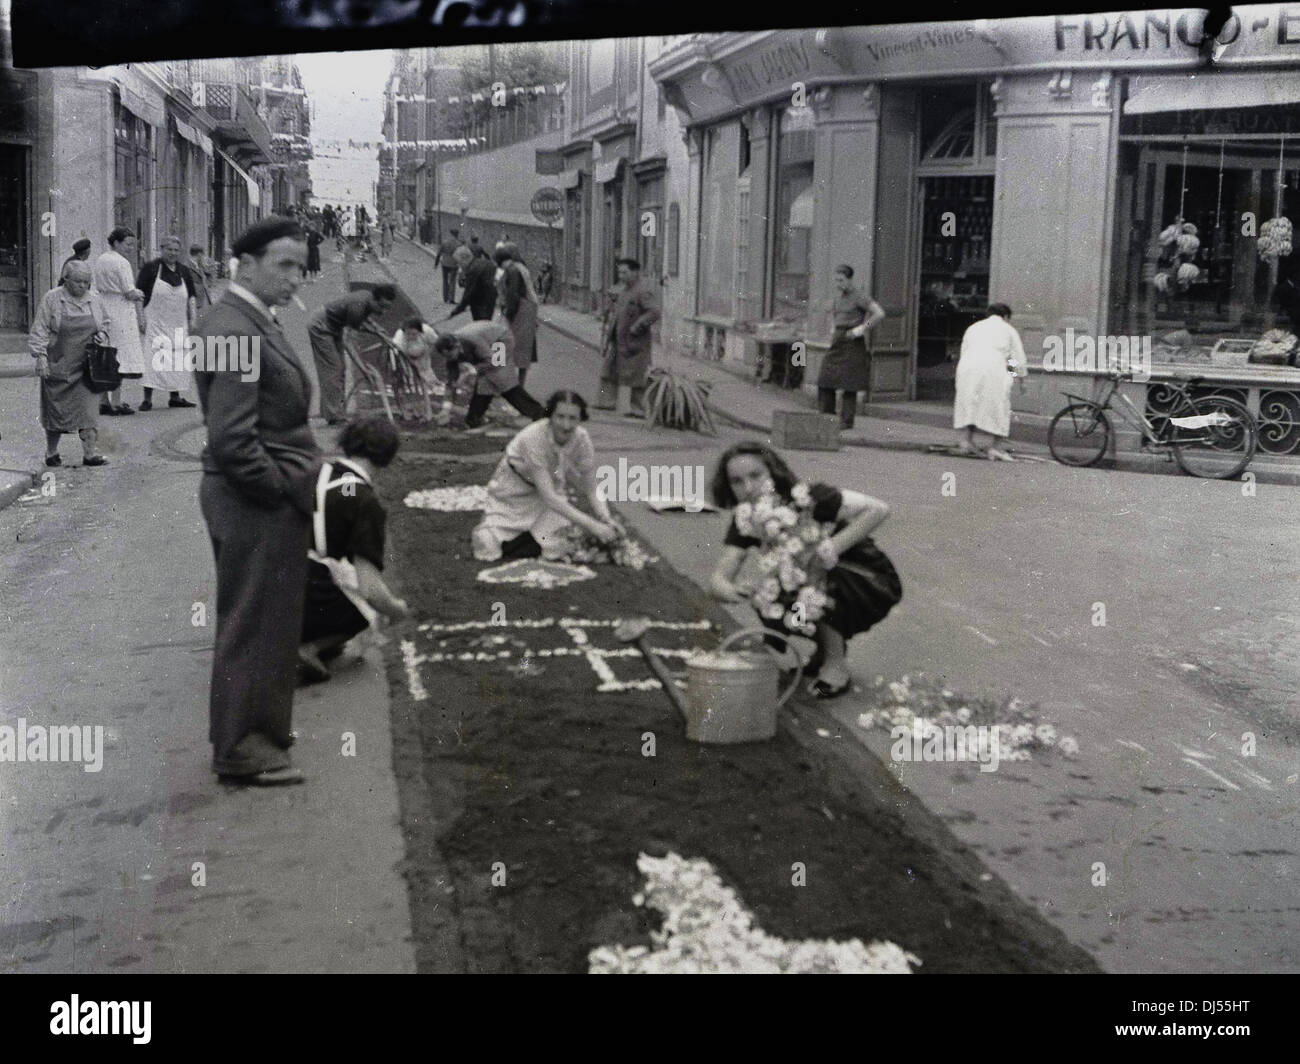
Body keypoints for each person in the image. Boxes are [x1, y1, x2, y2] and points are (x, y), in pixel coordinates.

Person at [193, 216, 321, 786]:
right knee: (254, 623)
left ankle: (255, 738)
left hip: (259, 499)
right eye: (285, 265)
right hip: (252, 501)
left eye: (301, 266)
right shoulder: (234, 329)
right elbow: (233, 439)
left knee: (267, 623)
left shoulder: (250, 319)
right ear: (247, 264)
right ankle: (244, 748)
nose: (297, 278)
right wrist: (280, 491)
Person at [708, 441, 900, 699]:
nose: (749, 488)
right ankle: (825, 649)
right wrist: (728, 589)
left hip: (863, 578)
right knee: (772, 594)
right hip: (811, 581)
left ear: (773, 472)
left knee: (812, 584)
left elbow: (878, 509)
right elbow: (721, 575)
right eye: (737, 481)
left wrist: (830, 548)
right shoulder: (748, 518)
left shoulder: (809, 497)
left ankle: (836, 666)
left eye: (756, 475)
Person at [299, 416, 410, 683]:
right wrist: (396, 610)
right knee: (370, 609)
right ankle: (310, 647)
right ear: (386, 457)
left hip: (274, 583)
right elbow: (371, 588)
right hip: (308, 588)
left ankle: (308, 633)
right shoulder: (365, 502)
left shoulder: (318, 471)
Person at [471, 390, 619, 562]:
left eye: (573, 418)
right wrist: (592, 525)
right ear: (550, 416)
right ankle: (511, 539)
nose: (566, 425)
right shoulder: (533, 437)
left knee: (564, 542)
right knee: (488, 545)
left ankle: (525, 543)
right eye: (560, 417)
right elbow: (549, 497)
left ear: (580, 419)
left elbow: (592, 487)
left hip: (549, 494)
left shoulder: (581, 438)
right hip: (513, 493)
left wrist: (605, 518)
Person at [29, 260, 110, 468]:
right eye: (78, 282)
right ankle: (51, 451)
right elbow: (40, 329)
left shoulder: (95, 300)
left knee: (89, 410)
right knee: (56, 411)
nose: (82, 286)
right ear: (66, 280)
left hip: (88, 366)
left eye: (86, 282)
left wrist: (102, 334)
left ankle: (90, 454)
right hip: (59, 365)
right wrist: (40, 357)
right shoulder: (52, 299)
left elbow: (106, 323)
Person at [306, 284, 398, 425]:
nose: (383, 312)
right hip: (321, 326)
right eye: (381, 307)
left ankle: (336, 412)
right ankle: (334, 416)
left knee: (341, 368)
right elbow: (349, 343)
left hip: (335, 326)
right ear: (374, 300)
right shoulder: (358, 305)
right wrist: (363, 368)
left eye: (387, 308)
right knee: (333, 369)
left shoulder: (367, 299)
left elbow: (364, 320)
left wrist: (380, 332)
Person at [431, 318, 545, 431]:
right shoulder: (450, 353)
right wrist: (445, 410)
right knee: (486, 383)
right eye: (446, 356)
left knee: (501, 379)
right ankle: (473, 419)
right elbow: (451, 383)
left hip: (501, 339)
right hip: (487, 344)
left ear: (456, 346)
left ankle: (539, 414)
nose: (450, 359)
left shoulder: (472, 341)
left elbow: (492, 361)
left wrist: (469, 372)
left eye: (450, 355)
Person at [952, 302, 1027, 460]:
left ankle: (966, 442)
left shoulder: (973, 328)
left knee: (970, 403)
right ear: (1006, 317)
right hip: (993, 368)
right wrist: (1018, 378)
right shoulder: (1009, 330)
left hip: (968, 367)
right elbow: (1016, 358)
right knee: (999, 406)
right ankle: (995, 447)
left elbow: (964, 351)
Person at [818, 264, 885, 432]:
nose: (838, 283)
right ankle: (828, 417)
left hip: (852, 342)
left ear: (849, 279)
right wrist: (833, 331)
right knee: (825, 379)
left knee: (849, 384)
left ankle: (846, 422)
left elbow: (879, 313)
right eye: (836, 280)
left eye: (841, 280)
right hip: (837, 341)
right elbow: (835, 316)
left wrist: (861, 329)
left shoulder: (859, 296)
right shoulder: (839, 296)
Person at [137, 235, 198, 410]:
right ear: (161, 249)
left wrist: (193, 318)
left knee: (177, 360)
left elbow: (191, 297)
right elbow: (139, 295)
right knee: (152, 359)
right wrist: (140, 318)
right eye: (169, 249)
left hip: (178, 323)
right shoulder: (150, 269)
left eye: (176, 250)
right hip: (155, 323)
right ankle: (147, 398)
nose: (172, 253)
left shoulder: (184, 271)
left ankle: (175, 396)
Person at [91, 227, 146, 416]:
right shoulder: (122, 263)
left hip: (104, 307)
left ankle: (103, 400)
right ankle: (116, 402)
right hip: (121, 311)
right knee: (119, 356)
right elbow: (129, 291)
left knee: (106, 353)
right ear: (116, 243)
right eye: (128, 244)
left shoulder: (101, 259)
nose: (131, 248)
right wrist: (139, 293)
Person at [597, 258, 660, 417]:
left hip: (635, 340)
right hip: (618, 338)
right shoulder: (624, 290)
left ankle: (639, 409)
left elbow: (654, 312)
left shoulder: (643, 291)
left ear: (635, 272)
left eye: (625, 272)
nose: (621, 275)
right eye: (620, 272)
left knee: (636, 375)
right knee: (609, 370)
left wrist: (637, 327)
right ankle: (606, 402)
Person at [494, 241, 540, 388]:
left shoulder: (512, 270)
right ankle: (519, 384)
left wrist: (508, 315)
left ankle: (499, 381)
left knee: (500, 344)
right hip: (527, 310)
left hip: (520, 310)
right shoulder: (521, 268)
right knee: (523, 349)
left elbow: (513, 294)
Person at [392, 316, 448, 422]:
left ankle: (427, 410)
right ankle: (409, 409)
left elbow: (435, 344)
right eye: (408, 334)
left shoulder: (427, 331)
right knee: (409, 381)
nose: (411, 336)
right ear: (404, 332)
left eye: (414, 334)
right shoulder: (399, 339)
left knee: (425, 379)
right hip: (404, 356)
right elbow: (401, 355)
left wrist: (425, 354)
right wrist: (413, 364)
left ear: (420, 331)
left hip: (423, 354)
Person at [448, 244, 498, 321]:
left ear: (464, 259)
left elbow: (468, 293)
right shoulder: (485, 262)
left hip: (480, 304)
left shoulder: (472, 270)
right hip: (490, 301)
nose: (459, 265)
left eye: (459, 262)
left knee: (480, 326)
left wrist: (455, 311)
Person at [435, 227, 463, 303]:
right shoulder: (459, 244)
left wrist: (436, 263)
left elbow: (439, 253)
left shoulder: (445, 242)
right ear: (457, 235)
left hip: (445, 263)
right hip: (454, 264)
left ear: (451, 234)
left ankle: (445, 297)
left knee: (445, 280)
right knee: (452, 281)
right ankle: (451, 299)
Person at [186, 244, 215, 312]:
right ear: (199, 254)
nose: (204, 257)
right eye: (203, 255)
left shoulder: (199, 265)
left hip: (202, 300)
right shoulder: (187, 266)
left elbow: (210, 280)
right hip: (195, 302)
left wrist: (206, 268)